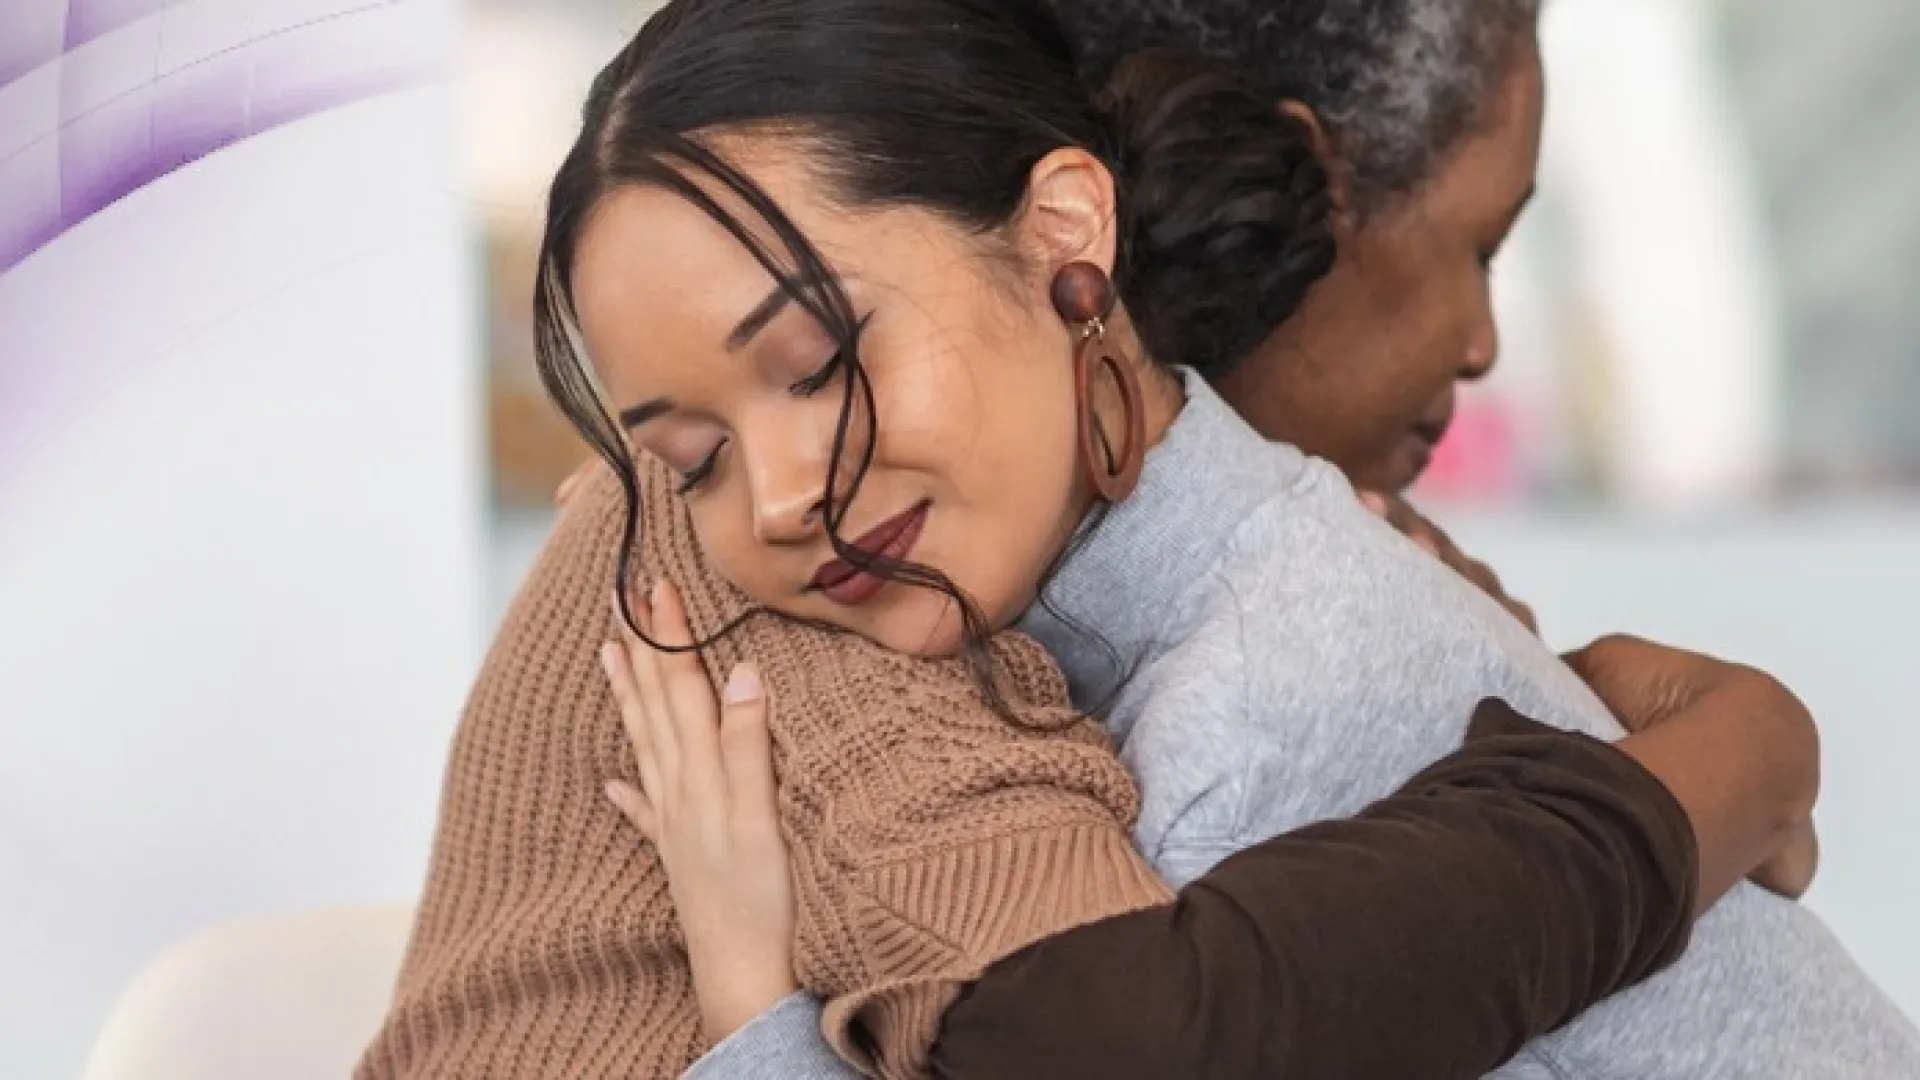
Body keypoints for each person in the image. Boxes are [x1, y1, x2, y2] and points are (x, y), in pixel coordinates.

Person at [527, 0, 1916, 1077]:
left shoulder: (1237, 718)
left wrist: (752, 1003)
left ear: (1066, 229)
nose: (776, 497)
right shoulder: (1224, 599)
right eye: (691, 460)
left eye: (822, 363)